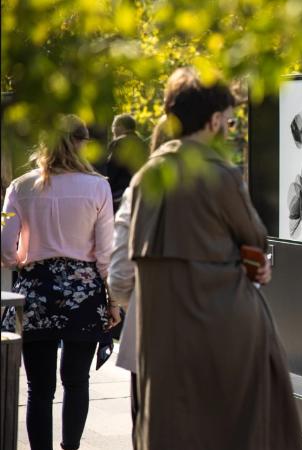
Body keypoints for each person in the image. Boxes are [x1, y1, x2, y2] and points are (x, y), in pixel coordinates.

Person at [129, 69, 302, 449]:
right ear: (213, 121)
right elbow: (255, 241)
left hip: (162, 335)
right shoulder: (218, 173)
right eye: (227, 119)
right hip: (226, 328)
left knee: (170, 424)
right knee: (240, 425)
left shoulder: (145, 178)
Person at [1, 114, 121, 450]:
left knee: (38, 388)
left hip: (35, 291)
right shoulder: (98, 186)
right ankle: (71, 447)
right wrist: (113, 303)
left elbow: (4, 248)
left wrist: (22, 259)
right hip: (83, 291)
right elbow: (105, 253)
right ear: (83, 142)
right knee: (77, 381)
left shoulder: (20, 187)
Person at [108, 115, 175, 430]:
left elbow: (120, 273)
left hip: (151, 319)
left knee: (149, 421)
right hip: (210, 330)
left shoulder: (142, 187)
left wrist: (124, 301)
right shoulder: (224, 183)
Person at [104, 114, 148, 211]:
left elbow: (111, 171)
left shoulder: (119, 142)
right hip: (140, 193)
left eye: (113, 127)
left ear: (120, 127)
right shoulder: (144, 144)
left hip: (120, 196)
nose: (112, 131)